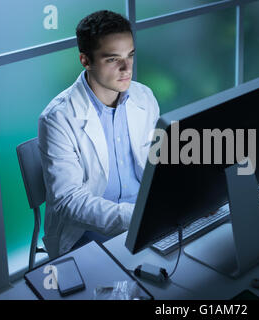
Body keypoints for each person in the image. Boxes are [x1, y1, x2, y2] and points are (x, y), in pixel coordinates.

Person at [38, 10, 160, 259]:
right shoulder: (57, 118)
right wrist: (138, 215)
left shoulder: (144, 97)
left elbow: (157, 163)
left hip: (148, 219)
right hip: (87, 234)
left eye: (131, 55)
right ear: (85, 60)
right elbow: (68, 201)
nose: (127, 68)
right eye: (113, 59)